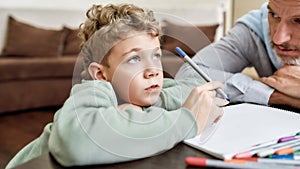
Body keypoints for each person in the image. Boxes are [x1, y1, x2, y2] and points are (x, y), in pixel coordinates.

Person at [6, 4, 228, 169]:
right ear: (101, 74)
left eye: (156, 56)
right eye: (134, 59)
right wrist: (186, 119)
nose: (153, 70)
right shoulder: (92, 90)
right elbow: (79, 143)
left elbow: (192, 85)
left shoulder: (141, 89)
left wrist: (147, 106)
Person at [175, 0, 300, 110]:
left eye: (299, 21)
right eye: (273, 14)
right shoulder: (254, 29)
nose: (278, 38)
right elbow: (188, 75)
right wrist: (275, 95)